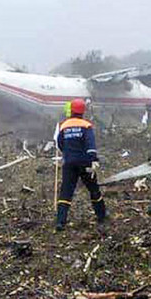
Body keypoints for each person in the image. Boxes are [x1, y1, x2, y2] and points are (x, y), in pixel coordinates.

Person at [55, 98, 107, 231]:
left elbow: (60, 143)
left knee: (66, 191)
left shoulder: (64, 126)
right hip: (85, 163)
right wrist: (93, 159)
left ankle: (60, 221)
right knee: (93, 189)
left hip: (69, 163)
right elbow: (91, 145)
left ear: (71, 110)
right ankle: (101, 215)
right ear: (83, 111)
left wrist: (67, 154)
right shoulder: (86, 125)